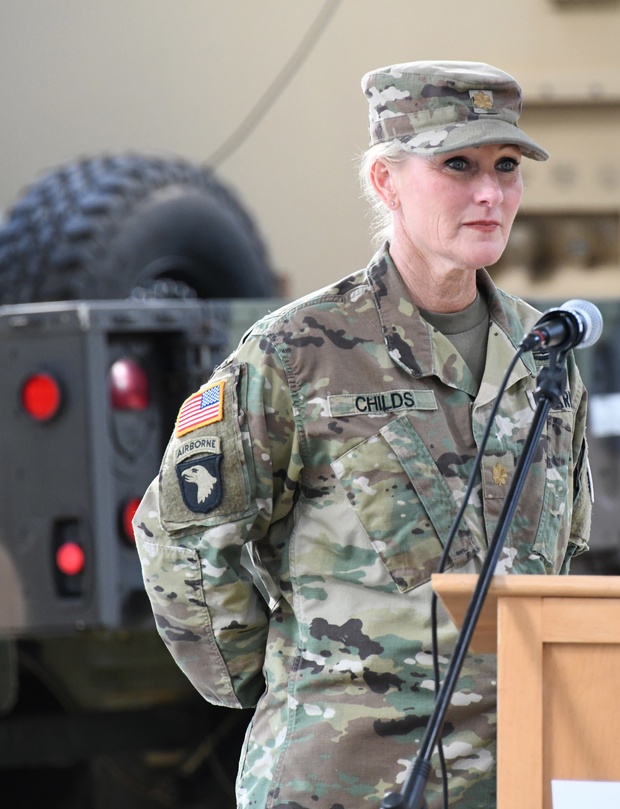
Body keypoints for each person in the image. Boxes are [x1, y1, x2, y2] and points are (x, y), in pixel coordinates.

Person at [133, 60, 593, 809]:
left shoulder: (542, 351)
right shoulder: (300, 351)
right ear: (386, 182)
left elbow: (563, 553)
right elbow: (185, 537)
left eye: (506, 167)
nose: (490, 193)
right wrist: (289, 684)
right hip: (340, 781)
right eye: (458, 165)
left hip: (510, 780)